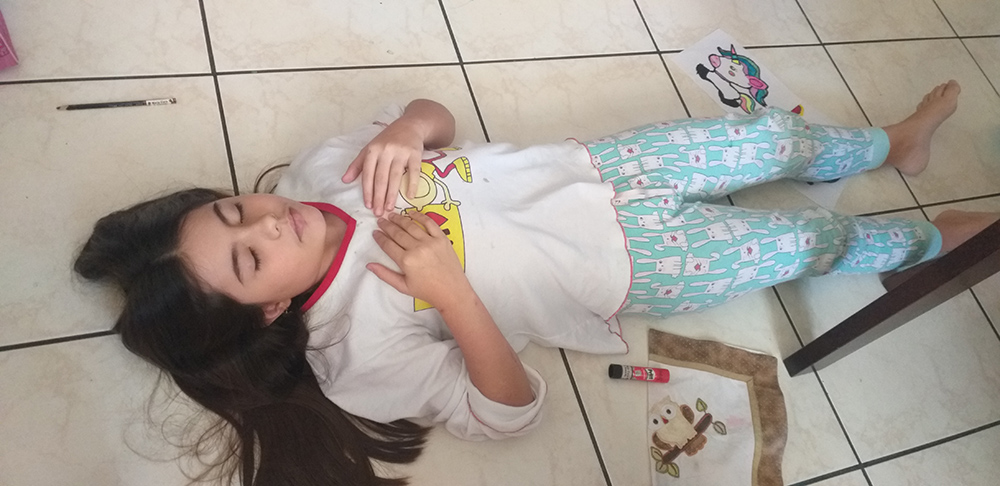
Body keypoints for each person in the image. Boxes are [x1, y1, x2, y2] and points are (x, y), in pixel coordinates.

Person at [75, 80, 993, 486]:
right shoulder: (354, 351)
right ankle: (924, 243)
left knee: (771, 139)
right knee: (804, 243)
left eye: (236, 210)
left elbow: (437, 115)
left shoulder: (325, 171)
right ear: (271, 308)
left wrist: (408, 129)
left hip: (601, 166)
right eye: (250, 258)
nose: (271, 222)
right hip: (633, 264)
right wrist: (451, 293)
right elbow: (510, 412)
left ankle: (890, 143)